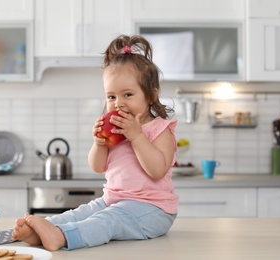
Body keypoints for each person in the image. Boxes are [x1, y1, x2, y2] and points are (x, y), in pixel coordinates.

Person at [11, 34, 178, 251]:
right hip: (113, 201)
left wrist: (136, 136)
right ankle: (40, 230)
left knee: (108, 220)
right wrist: (99, 144)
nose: (119, 104)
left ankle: (61, 237)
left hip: (153, 210)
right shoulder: (115, 131)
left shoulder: (159, 129)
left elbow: (157, 170)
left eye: (128, 94)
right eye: (111, 97)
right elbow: (98, 166)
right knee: (82, 213)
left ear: (151, 95)